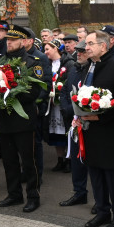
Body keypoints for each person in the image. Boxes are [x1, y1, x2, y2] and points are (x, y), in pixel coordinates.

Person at [79, 30, 114, 227]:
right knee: (96, 174)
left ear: (104, 46)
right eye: (87, 43)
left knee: (113, 176)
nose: (87, 47)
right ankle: (102, 211)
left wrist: (100, 116)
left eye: (91, 43)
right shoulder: (89, 67)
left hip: (111, 132)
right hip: (91, 131)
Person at [0, 25, 47, 212]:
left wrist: (7, 92)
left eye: (13, 40)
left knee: (29, 161)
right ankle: (14, 194)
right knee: (9, 162)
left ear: (23, 42)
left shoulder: (33, 63)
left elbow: (33, 93)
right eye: (7, 40)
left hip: (24, 120)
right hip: (4, 119)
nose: (8, 43)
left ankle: (33, 196)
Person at [59, 39, 90, 208]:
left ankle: (101, 199)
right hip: (73, 122)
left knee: (90, 161)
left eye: (83, 51)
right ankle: (79, 192)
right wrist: (68, 110)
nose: (78, 53)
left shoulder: (93, 72)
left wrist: (80, 112)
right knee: (76, 161)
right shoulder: (74, 69)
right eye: (77, 50)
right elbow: (64, 91)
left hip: (89, 123)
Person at [43, 39, 74, 172]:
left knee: (66, 132)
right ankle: (60, 159)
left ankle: (69, 160)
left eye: (47, 49)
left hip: (63, 104)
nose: (45, 52)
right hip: (52, 105)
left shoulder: (68, 63)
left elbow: (69, 83)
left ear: (56, 48)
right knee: (55, 133)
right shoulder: (47, 64)